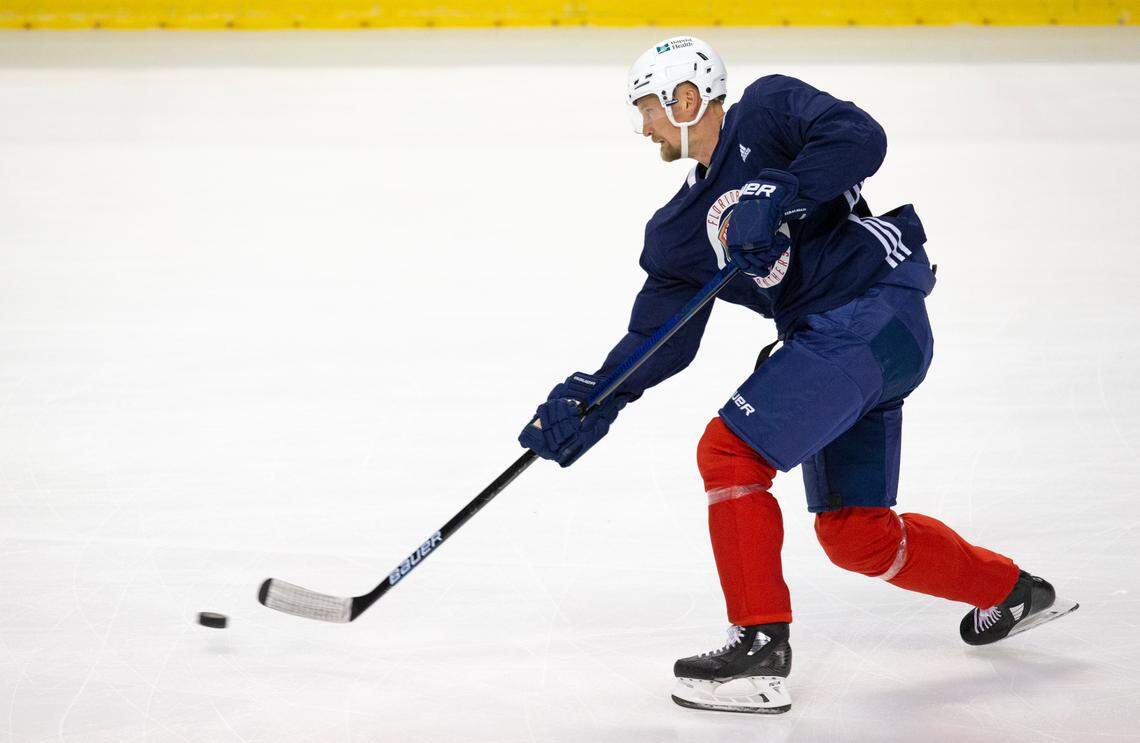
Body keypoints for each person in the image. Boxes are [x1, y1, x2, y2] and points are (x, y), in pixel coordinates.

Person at [518, 35, 1076, 714]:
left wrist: (776, 190)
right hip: (844, 345)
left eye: (649, 109)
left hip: (873, 310)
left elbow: (860, 137)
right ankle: (1013, 590)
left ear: (685, 98)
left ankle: (759, 646)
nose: (644, 128)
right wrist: (592, 397)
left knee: (727, 450)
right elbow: (657, 337)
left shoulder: (768, 112)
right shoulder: (677, 230)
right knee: (855, 532)